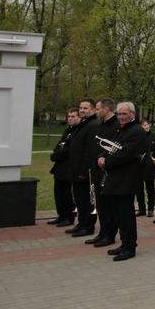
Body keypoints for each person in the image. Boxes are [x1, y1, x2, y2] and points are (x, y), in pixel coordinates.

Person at [98, 101, 148, 261]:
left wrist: (108, 162)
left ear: (132, 114)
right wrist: (102, 157)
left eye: (124, 114)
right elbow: (112, 147)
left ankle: (130, 247)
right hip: (116, 178)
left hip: (127, 179)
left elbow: (127, 153)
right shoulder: (120, 129)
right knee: (119, 214)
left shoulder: (137, 131)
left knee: (126, 215)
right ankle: (124, 243)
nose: (120, 117)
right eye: (119, 114)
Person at [86, 98, 120, 248]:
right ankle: (102, 233)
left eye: (98, 109)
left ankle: (110, 235)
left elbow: (114, 146)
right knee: (101, 205)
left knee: (109, 205)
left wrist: (103, 158)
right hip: (97, 169)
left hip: (107, 171)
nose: (97, 111)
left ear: (106, 109)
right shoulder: (101, 124)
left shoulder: (116, 125)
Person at [66, 98, 99, 237]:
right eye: (80, 108)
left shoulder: (93, 125)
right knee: (79, 199)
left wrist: (84, 171)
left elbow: (90, 151)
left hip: (84, 171)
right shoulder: (83, 124)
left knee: (86, 200)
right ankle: (81, 223)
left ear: (92, 109)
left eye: (85, 108)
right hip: (76, 169)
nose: (82, 110)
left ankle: (88, 226)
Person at [48, 107, 80, 227]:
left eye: (73, 116)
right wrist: (55, 153)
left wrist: (57, 154)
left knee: (67, 194)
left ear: (79, 118)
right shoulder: (67, 130)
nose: (70, 119)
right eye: (69, 117)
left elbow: (69, 150)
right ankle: (61, 215)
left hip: (69, 167)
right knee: (58, 193)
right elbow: (60, 145)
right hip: (60, 167)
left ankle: (69, 217)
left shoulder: (78, 131)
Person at [135, 118, 155, 217]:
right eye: (144, 125)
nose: (146, 126)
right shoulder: (138, 137)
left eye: (147, 124)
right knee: (139, 189)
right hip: (139, 165)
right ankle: (141, 209)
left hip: (150, 166)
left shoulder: (154, 136)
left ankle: (151, 209)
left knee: (150, 188)